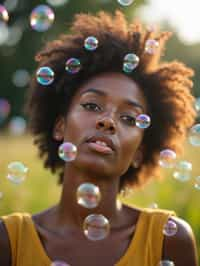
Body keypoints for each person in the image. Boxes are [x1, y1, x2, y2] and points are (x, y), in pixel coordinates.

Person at [0, 11, 199, 266]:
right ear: (60, 127)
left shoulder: (168, 240)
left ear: (140, 151)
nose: (108, 121)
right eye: (92, 106)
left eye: (128, 118)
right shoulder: (9, 241)